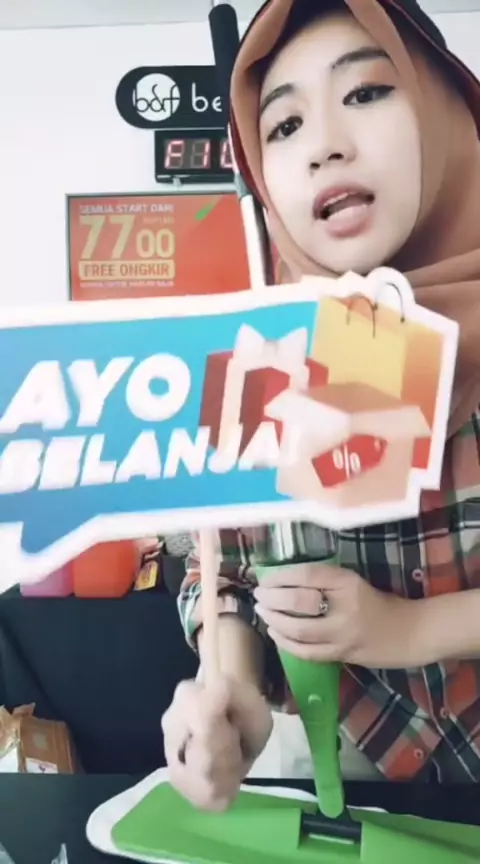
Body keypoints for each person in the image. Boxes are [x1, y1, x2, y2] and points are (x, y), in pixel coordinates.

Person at [162, 0, 480, 811]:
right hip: (337, 769)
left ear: (447, 114)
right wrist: (231, 688)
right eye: (284, 125)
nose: (324, 144)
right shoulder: (253, 360)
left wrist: (410, 630)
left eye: (366, 92)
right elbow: (227, 570)